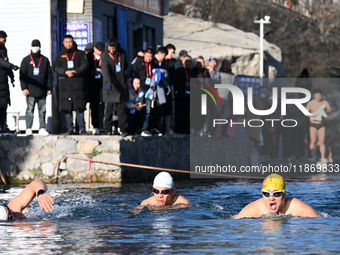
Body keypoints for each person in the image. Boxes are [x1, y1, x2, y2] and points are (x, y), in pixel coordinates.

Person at [235, 174, 321, 219]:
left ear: (284, 195)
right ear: (262, 195)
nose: (271, 198)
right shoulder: (252, 210)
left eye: (276, 194)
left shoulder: (299, 208)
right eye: (266, 194)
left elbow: (320, 224)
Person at [53, 34, 89, 135]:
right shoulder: (60, 55)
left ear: (73, 42)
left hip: (78, 84)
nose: (68, 44)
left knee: (79, 107)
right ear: (63, 43)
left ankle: (81, 128)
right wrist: (65, 72)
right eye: (66, 42)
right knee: (67, 108)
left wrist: (76, 71)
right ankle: (69, 128)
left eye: (70, 42)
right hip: (65, 85)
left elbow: (85, 65)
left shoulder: (80, 54)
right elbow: (56, 67)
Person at [20, 39, 52, 136]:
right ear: (31, 47)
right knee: (30, 110)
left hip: (42, 90)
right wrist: (24, 88)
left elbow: (49, 75)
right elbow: (22, 75)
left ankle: (42, 128)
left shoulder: (45, 60)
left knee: (42, 110)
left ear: (40, 47)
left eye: (37, 46)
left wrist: (49, 88)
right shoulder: (26, 60)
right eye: (34, 46)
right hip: (30, 90)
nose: (35, 48)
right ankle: (28, 128)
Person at [101, 37, 128, 136]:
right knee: (109, 109)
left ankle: (122, 128)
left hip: (121, 84)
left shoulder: (122, 53)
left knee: (122, 109)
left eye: (113, 48)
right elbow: (105, 70)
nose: (112, 50)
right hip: (110, 84)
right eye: (110, 48)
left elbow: (126, 66)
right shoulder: (105, 55)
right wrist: (108, 81)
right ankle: (107, 129)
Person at [0, 30, 19, 134]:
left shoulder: (4, 49)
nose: (4, 42)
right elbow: (1, 62)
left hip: (3, 82)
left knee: (3, 105)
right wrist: (11, 66)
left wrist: (11, 76)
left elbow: (5, 61)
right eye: (3, 40)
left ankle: (3, 126)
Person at [306, 89, 332, 162]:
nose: (318, 97)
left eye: (319, 95)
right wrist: (313, 115)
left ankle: (322, 157)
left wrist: (325, 109)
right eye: (317, 95)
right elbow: (305, 112)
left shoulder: (324, 102)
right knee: (313, 140)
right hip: (313, 124)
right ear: (314, 96)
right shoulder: (311, 103)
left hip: (321, 124)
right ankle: (313, 157)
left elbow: (330, 111)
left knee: (321, 141)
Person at [86, 42, 105, 135]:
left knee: (105, 106)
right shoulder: (89, 57)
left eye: (102, 50)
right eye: (99, 50)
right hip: (92, 85)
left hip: (103, 85)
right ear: (95, 49)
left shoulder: (105, 58)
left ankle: (105, 126)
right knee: (94, 106)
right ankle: (95, 126)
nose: (100, 52)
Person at [174, 54, 193, 134]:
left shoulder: (191, 72)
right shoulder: (178, 70)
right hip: (180, 95)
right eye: (186, 61)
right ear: (183, 61)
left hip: (188, 95)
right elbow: (175, 82)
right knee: (179, 113)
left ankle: (186, 130)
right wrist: (184, 84)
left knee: (187, 114)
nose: (188, 63)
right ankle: (179, 129)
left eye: (189, 61)